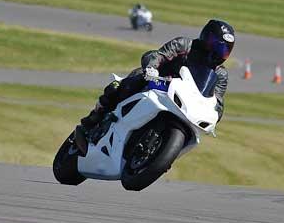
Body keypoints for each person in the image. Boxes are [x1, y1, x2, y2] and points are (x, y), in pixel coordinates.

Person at [75, 19, 235, 152]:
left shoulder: (221, 74)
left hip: (183, 102)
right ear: (205, 37)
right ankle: (92, 121)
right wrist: (152, 68)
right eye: (216, 45)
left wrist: (215, 115)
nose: (219, 52)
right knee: (120, 86)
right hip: (156, 82)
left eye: (224, 50)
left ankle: (161, 153)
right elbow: (160, 55)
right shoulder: (185, 45)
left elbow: (217, 101)